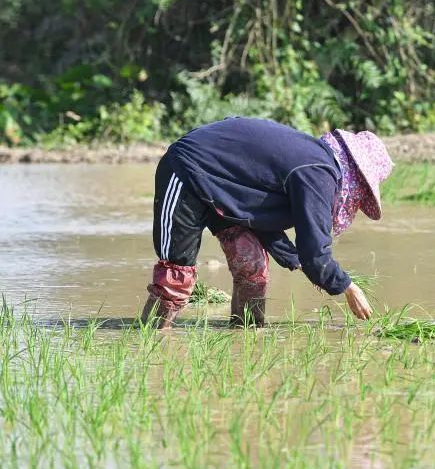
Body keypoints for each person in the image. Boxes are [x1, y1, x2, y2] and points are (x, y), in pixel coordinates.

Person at [141, 117, 394, 328]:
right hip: (187, 168)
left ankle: (246, 335)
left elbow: (260, 215)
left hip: (228, 189)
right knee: (176, 274)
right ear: (355, 178)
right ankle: (151, 340)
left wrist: (291, 257)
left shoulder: (316, 166)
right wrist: (348, 287)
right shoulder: (317, 172)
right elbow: (316, 254)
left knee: (252, 264)